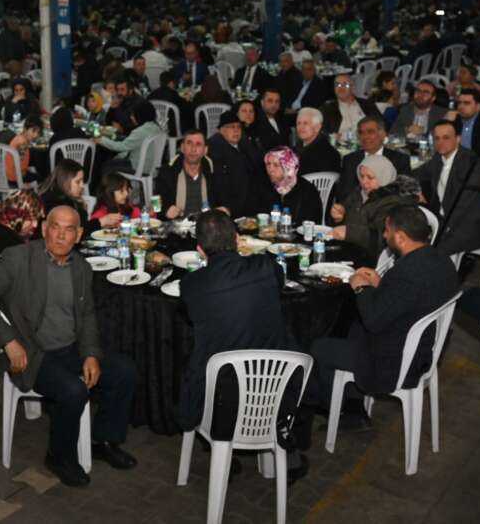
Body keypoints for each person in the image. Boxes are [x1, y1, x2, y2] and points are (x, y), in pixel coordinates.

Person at [0, 206, 138, 488]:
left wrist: (90, 354)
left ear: (79, 235)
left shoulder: (82, 268)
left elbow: (87, 316)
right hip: (32, 352)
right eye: (55, 227)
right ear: (45, 228)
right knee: (74, 390)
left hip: (70, 348)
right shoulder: (18, 258)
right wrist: (9, 341)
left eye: (69, 229)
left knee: (124, 371)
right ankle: (59, 457)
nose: (60, 235)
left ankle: (104, 441)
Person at [177, 211, 309, 474]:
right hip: (274, 389)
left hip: (219, 398)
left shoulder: (191, 285)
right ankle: (287, 446)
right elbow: (277, 283)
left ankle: (218, 451)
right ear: (237, 239)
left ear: (200, 250)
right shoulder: (265, 266)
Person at [306, 207, 460, 425]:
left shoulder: (406, 273)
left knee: (318, 347)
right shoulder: (441, 260)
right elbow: (410, 297)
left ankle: (340, 413)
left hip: (397, 361)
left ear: (401, 237)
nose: (385, 236)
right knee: (351, 326)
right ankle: (353, 403)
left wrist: (361, 287)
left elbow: (374, 320)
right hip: (425, 346)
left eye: (387, 231)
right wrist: (381, 285)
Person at [414, 120, 480, 259]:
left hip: (468, 225)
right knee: (410, 239)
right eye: (437, 138)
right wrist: (416, 190)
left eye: (446, 138)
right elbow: (418, 174)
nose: (440, 142)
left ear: (458, 139)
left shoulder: (471, 163)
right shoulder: (438, 158)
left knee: (429, 251)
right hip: (444, 219)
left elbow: (465, 204)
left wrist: (443, 228)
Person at [330, 154, 419, 260]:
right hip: (352, 249)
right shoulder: (359, 193)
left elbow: (383, 239)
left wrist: (350, 233)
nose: (364, 182)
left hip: (374, 258)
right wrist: (340, 216)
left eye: (370, 177)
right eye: (361, 176)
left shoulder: (393, 202)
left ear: (383, 177)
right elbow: (346, 217)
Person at [0, 190, 45, 282]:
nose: (35, 224)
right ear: (16, 215)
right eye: (30, 219)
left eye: (36, 219)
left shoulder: (9, 232)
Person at [335, 116, 412, 201]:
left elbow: (406, 192)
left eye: (370, 132)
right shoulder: (350, 160)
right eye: (361, 133)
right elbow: (343, 193)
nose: (365, 137)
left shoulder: (399, 159)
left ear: (383, 135)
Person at [207, 109, 265, 218]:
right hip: (229, 206)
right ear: (221, 130)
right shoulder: (215, 148)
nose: (236, 130)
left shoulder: (244, 143)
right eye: (231, 127)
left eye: (238, 127)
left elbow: (257, 163)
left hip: (250, 201)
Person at [153, 128, 214, 220]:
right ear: (182, 148)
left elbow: (223, 199)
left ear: (205, 150)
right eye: (189, 143)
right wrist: (165, 211)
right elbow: (155, 203)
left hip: (206, 222)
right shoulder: (167, 171)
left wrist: (225, 208)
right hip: (176, 224)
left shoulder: (213, 170)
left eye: (198, 144)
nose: (193, 149)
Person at [253, 147, 323, 222]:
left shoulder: (307, 190)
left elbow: (313, 220)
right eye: (268, 164)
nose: (270, 169)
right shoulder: (263, 186)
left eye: (276, 165)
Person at [40, 158, 100, 235]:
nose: (82, 186)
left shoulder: (69, 198)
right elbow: (74, 232)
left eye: (82, 181)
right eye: (78, 181)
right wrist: (100, 222)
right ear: (66, 182)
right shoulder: (53, 203)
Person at [294, 107, 342, 176]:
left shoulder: (326, 152)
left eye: (305, 123)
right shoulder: (299, 147)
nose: (301, 127)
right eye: (298, 123)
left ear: (317, 127)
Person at [5, 115, 43, 184]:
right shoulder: (23, 143)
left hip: (9, 175)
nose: (36, 135)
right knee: (42, 179)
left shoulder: (19, 137)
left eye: (38, 132)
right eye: (33, 131)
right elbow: (20, 168)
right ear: (25, 129)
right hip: (15, 179)